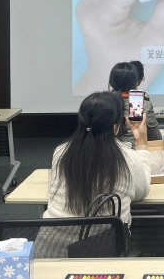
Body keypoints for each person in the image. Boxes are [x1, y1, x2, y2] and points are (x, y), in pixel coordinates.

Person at [39, 92, 151, 257]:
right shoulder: (127, 158)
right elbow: (142, 191)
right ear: (115, 126)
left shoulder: (61, 152)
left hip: (49, 251)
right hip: (102, 252)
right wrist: (141, 142)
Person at [108, 62, 162, 144]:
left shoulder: (104, 103)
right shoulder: (139, 104)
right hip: (136, 150)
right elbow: (155, 138)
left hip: (109, 151)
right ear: (136, 81)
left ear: (111, 81)